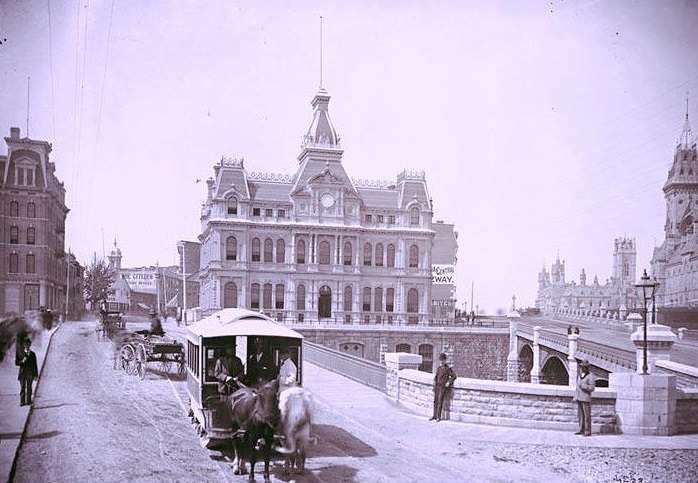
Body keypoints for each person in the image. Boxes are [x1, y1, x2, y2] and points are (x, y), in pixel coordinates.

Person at [430, 353, 457, 422]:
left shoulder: (448, 369)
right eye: (440, 360)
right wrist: (434, 381)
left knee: (440, 401)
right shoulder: (439, 368)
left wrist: (448, 382)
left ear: (445, 360)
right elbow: (436, 376)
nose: (441, 362)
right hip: (437, 386)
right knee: (435, 401)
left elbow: (454, 376)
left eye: (443, 360)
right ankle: (434, 415)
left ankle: (438, 416)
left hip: (442, 387)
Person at [573, 359, 597, 436]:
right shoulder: (579, 375)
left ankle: (587, 431)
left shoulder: (591, 376)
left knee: (587, 415)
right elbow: (577, 387)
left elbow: (592, 388)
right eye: (582, 367)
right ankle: (581, 429)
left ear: (587, 368)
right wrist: (575, 396)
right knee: (580, 415)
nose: (583, 368)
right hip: (579, 397)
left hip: (586, 398)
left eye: (584, 367)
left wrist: (584, 386)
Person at [15, 337, 38, 406]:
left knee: (29, 388)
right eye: (26, 344)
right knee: (22, 388)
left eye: (28, 344)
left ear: (30, 345)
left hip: (30, 373)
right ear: (24, 345)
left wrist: (36, 375)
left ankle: (29, 401)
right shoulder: (20, 353)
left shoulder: (33, 354)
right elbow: (16, 362)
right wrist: (22, 361)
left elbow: (35, 365)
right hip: (22, 373)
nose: (27, 346)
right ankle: (22, 402)